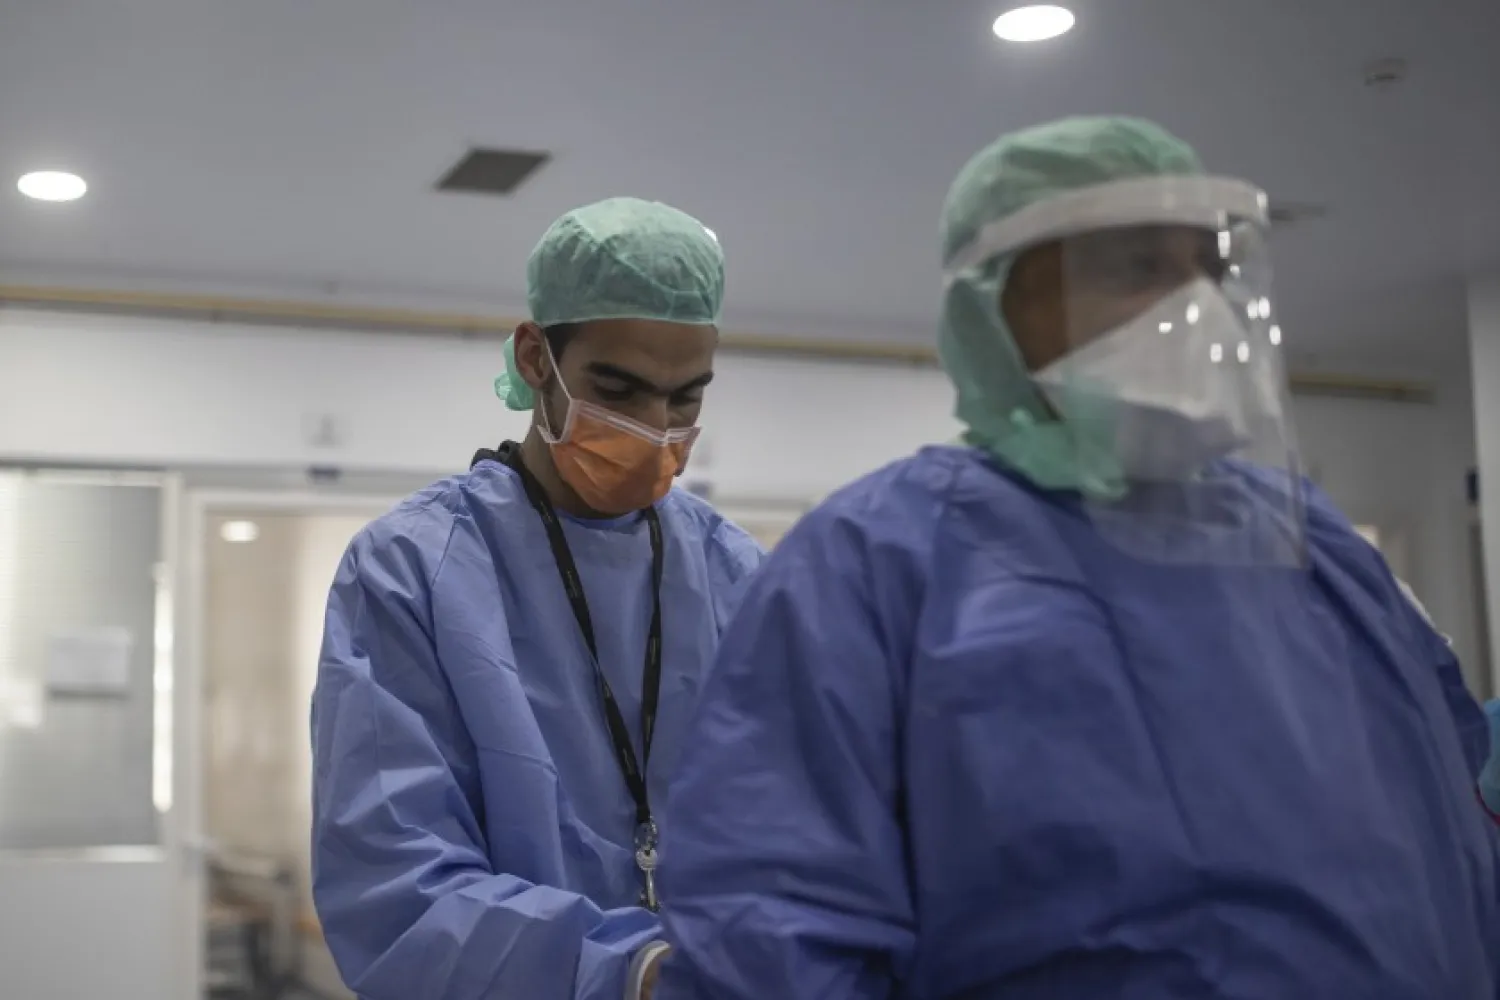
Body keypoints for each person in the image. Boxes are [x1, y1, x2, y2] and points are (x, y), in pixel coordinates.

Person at [652, 118, 1500, 998]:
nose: (1193, 313)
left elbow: (1458, 844)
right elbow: (775, 939)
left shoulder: (1319, 549)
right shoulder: (877, 565)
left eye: (1206, 272)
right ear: (996, 310)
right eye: (1137, 269)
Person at [311, 196, 764, 1000]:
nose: (656, 429)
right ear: (533, 358)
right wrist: (634, 972)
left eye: (685, 397)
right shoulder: (411, 570)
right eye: (617, 390)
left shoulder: (736, 576)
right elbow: (396, 888)